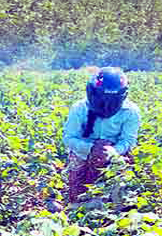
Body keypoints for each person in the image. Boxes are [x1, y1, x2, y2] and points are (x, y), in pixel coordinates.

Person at [60, 67, 140, 207]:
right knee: (78, 200)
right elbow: (69, 138)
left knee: (119, 197)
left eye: (111, 101)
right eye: (102, 100)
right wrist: (91, 148)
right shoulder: (79, 109)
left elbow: (128, 141)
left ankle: (118, 207)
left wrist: (112, 151)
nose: (106, 105)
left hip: (115, 153)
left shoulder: (130, 112)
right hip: (82, 152)